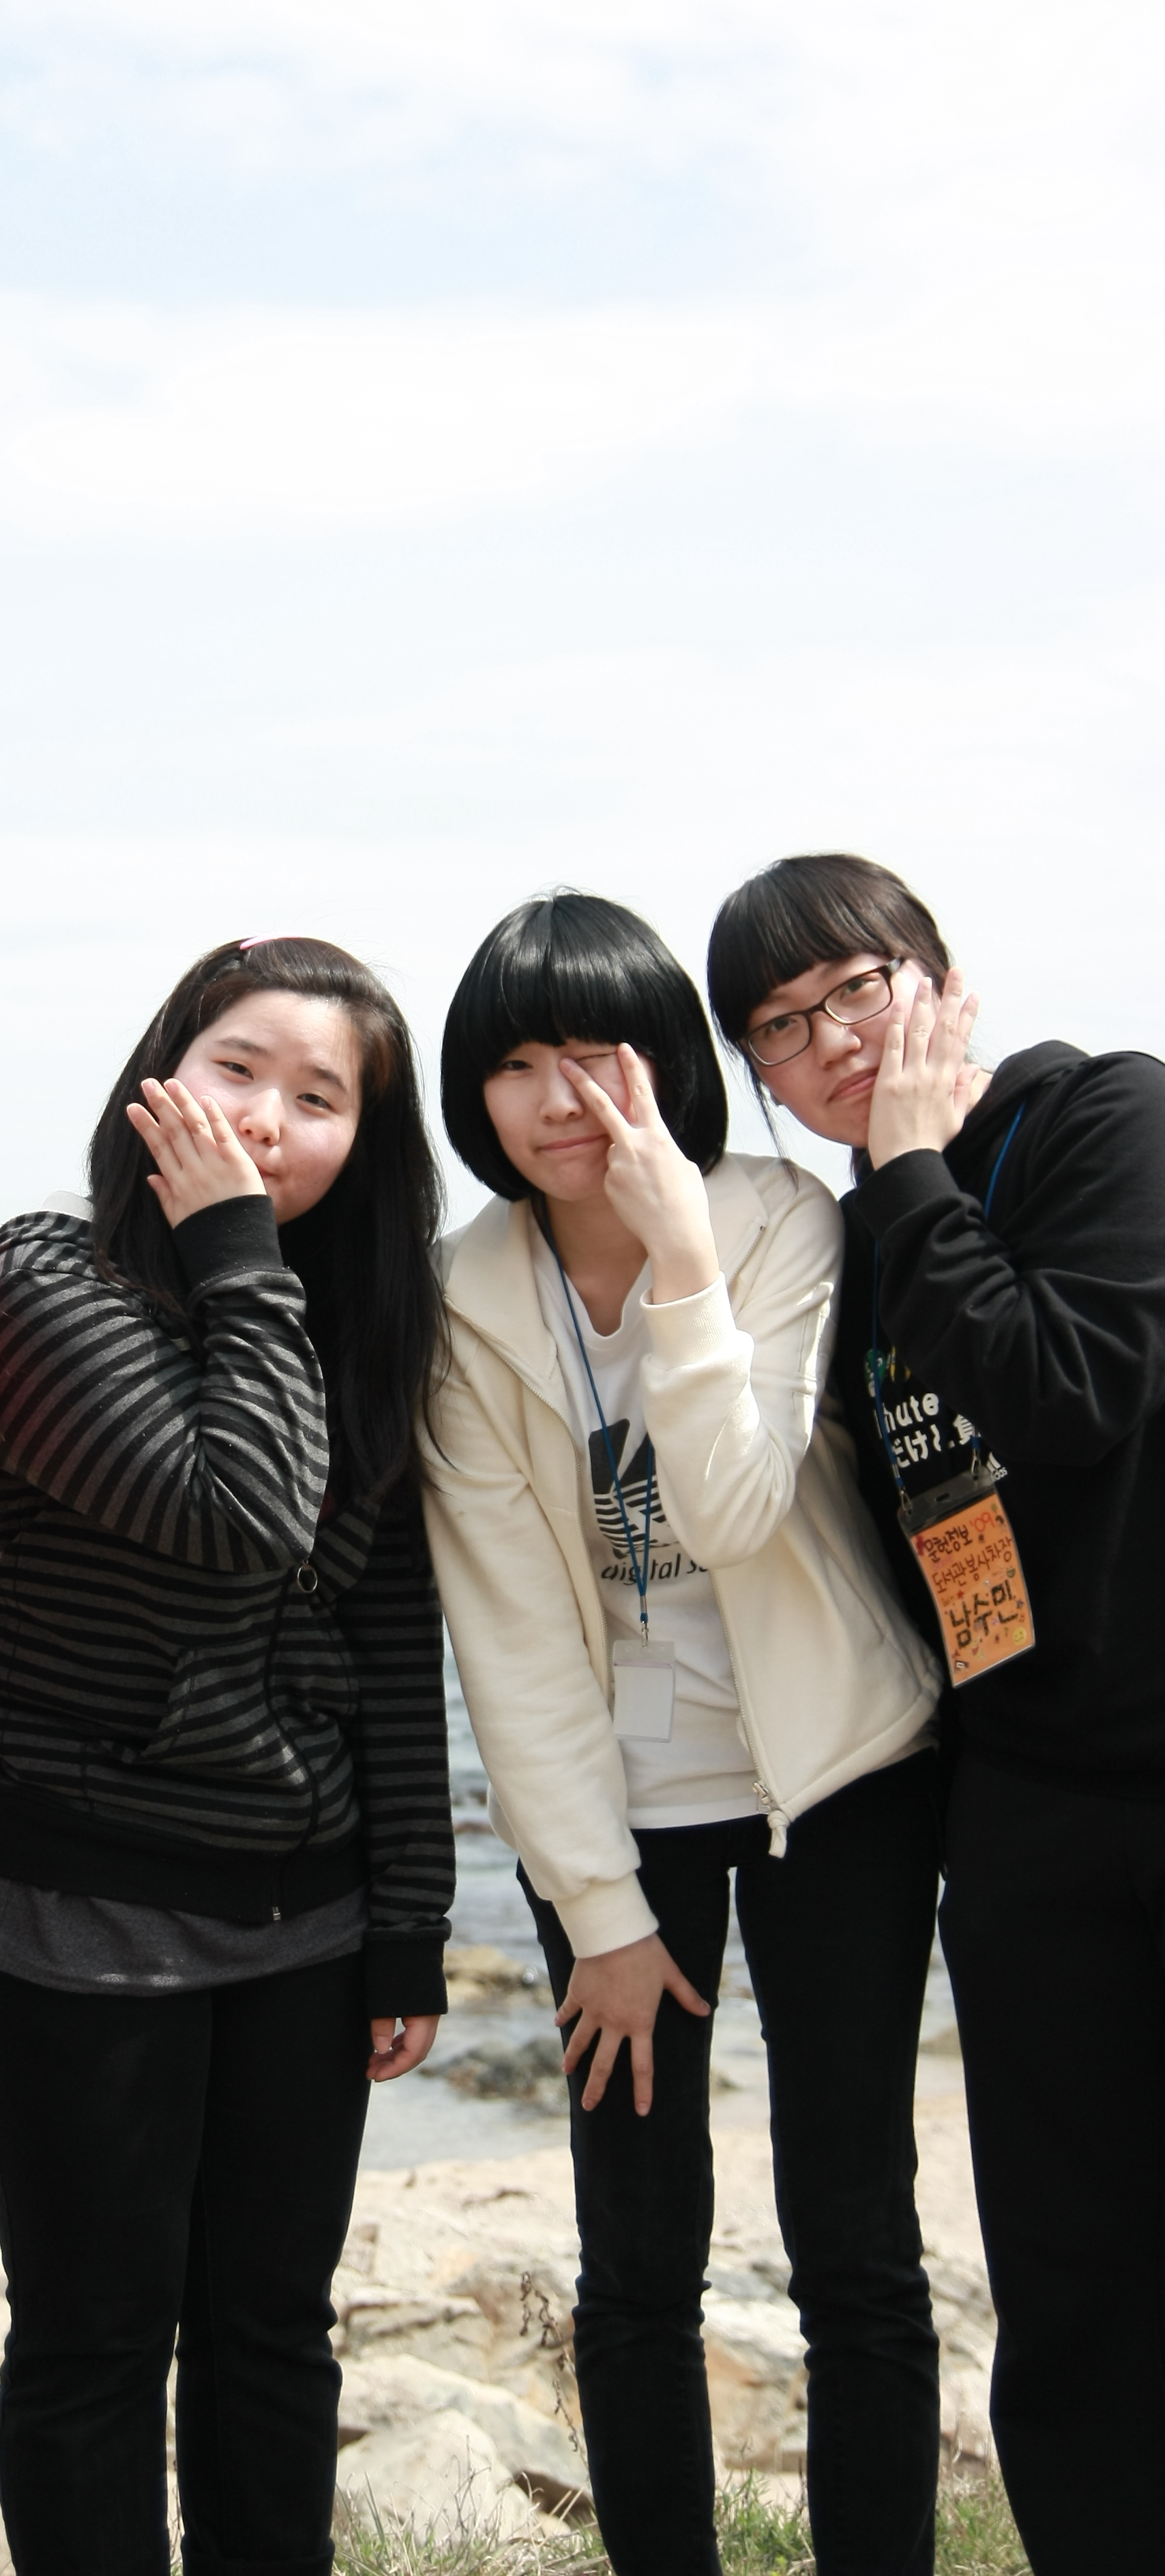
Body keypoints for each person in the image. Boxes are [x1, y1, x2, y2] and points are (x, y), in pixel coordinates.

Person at [422, 891, 943, 2576]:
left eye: (598, 1053)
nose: (560, 1097)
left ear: (667, 1063)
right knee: (635, 2259)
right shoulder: (463, 1295)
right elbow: (509, 1630)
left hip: (837, 1777)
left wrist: (683, 1266)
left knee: (853, 2239)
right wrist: (597, 1909)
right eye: (517, 1063)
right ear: (473, 1094)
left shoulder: (777, 1220)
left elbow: (727, 1509)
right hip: (619, 1815)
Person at [0, 933, 455, 2576]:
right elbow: (238, 1516)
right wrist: (236, 1248)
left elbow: (389, 1640)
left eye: (318, 1099)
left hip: (303, 1918)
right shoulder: (46, 1279)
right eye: (236, 1069)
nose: (265, 1120)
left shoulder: (354, 1320)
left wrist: (408, 1920)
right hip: (71, 1909)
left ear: (363, 1143)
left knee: (271, 2332)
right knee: (94, 2338)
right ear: (159, 1073)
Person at [707, 852, 1165, 2576]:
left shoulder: (1104, 1118)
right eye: (778, 1024)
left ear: (937, 979)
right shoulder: (848, 1247)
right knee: (1067, 2273)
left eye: (855, 988)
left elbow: (1064, 1392)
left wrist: (908, 1171)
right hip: (1027, 1806)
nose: (828, 1037)